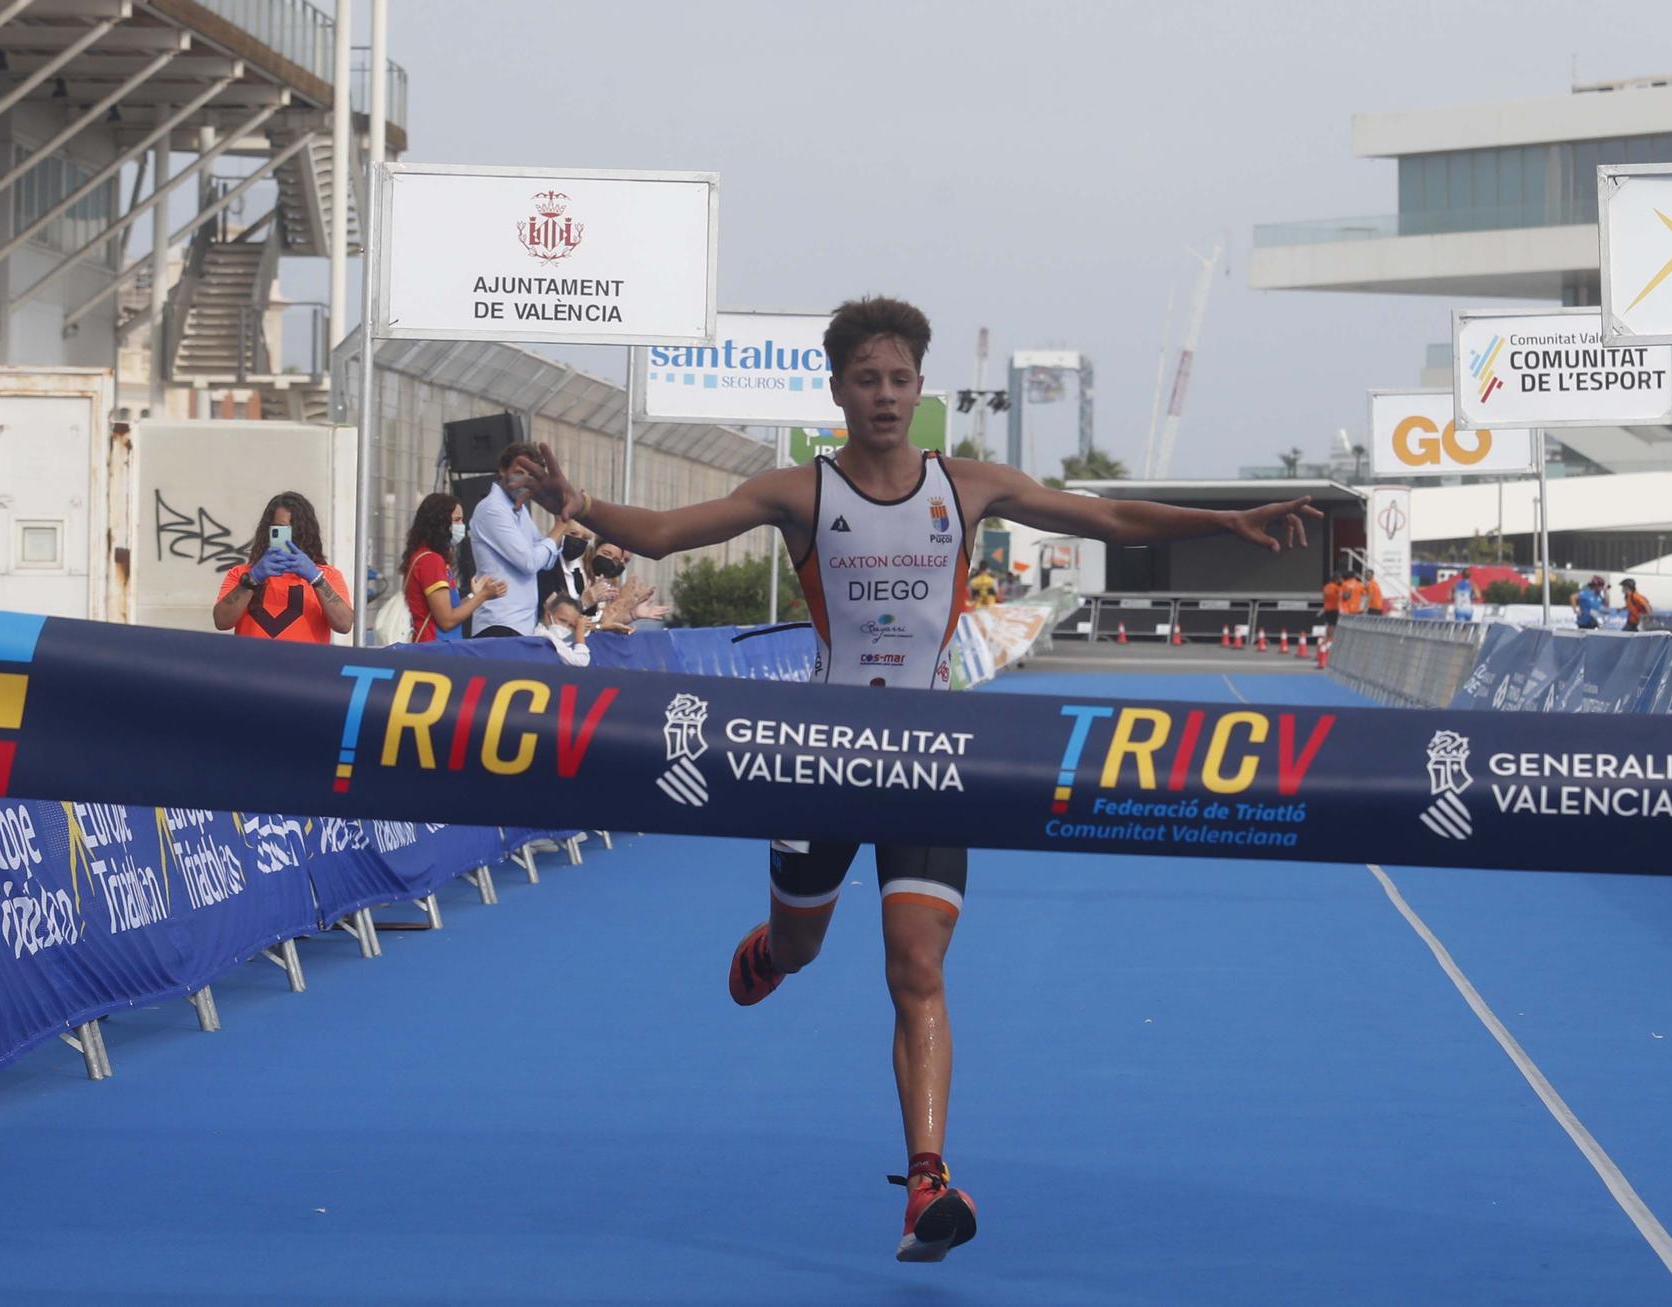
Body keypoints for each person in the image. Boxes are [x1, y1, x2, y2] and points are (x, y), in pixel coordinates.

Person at [512, 295, 1322, 1264]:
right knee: (808, 947)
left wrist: (1229, 520)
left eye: (900, 379)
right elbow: (667, 532)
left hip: (933, 758)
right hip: (819, 755)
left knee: (917, 965)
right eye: (867, 378)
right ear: (837, 388)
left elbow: (1102, 513)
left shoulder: (966, 485)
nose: (885, 395)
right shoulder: (798, 493)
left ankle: (927, 1182)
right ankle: (776, 944)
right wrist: (575, 501)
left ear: (920, 389)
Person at [212, 491, 353, 642]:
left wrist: (316, 579)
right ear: (269, 531)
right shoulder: (242, 574)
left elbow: (344, 625)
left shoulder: (327, 575)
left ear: (307, 533)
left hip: (306, 664)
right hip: (251, 664)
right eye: (281, 530)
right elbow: (221, 621)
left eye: (296, 530)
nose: (290, 538)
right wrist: (252, 579)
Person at [470, 441, 570, 637]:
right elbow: (529, 561)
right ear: (502, 470)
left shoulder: (520, 510)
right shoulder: (492, 509)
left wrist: (555, 531)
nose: (524, 480)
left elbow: (545, 561)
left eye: (531, 476)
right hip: (499, 623)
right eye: (519, 472)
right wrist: (560, 527)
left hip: (521, 625)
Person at [399, 492, 507, 643]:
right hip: (434, 648)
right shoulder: (431, 561)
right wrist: (483, 596)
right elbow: (447, 621)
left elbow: (451, 609)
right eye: (456, 520)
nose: (462, 526)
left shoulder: (430, 558)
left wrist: (474, 595)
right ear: (440, 524)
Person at [539, 591, 593, 667]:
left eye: (571, 625)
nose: (565, 627)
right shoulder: (544, 635)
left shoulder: (563, 639)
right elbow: (582, 660)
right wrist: (579, 633)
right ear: (548, 617)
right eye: (562, 620)